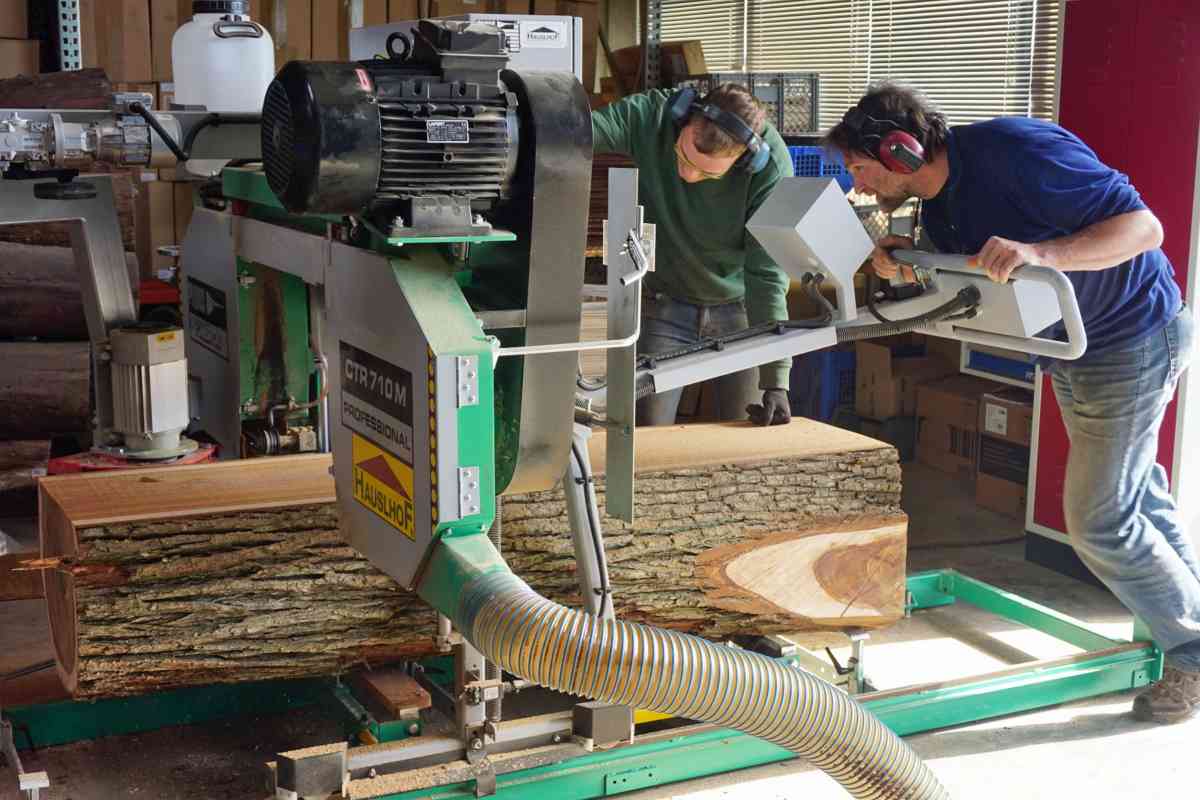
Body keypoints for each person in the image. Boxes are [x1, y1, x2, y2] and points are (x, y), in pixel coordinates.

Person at [825, 81, 1197, 723]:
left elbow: (1146, 228)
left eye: (859, 168)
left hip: (1132, 336)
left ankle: (1192, 657)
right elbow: (965, 273)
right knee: (1135, 499)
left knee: (1099, 519)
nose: (858, 184)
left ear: (899, 152)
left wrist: (1041, 253)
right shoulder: (938, 208)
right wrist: (902, 263)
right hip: (1073, 349)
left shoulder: (1015, 152)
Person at [591, 84, 795, 426]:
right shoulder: (652, 117)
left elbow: (768, 276)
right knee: (647, 435)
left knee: (744, 434)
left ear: (747, 159)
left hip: (741, 309)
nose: (688, 174)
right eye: (682, 155)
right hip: (666, 302)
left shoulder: (771, 169)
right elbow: (582, 130)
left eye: (707, 173)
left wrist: (776, 379)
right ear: (684, 118)